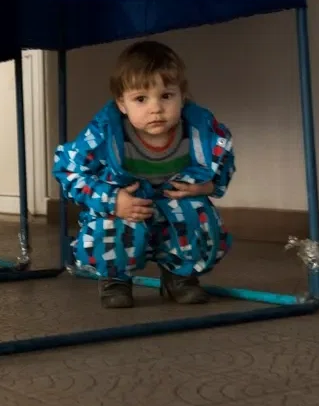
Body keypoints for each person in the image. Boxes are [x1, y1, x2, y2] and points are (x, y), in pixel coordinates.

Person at [52, 40, 235, 309]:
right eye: (141, 99)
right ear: (122, 104)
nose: (156, 108)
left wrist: (206, 187)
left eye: (166, 96)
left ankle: (179, 276)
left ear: (182, 96)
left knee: (196, 212)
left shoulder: (202, 130)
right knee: (112, 222)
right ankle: (115, 279)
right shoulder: (105, 133)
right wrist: (111, 200)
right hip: (128, 204)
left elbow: (223, 159)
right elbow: (68, 168)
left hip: (174, 203)